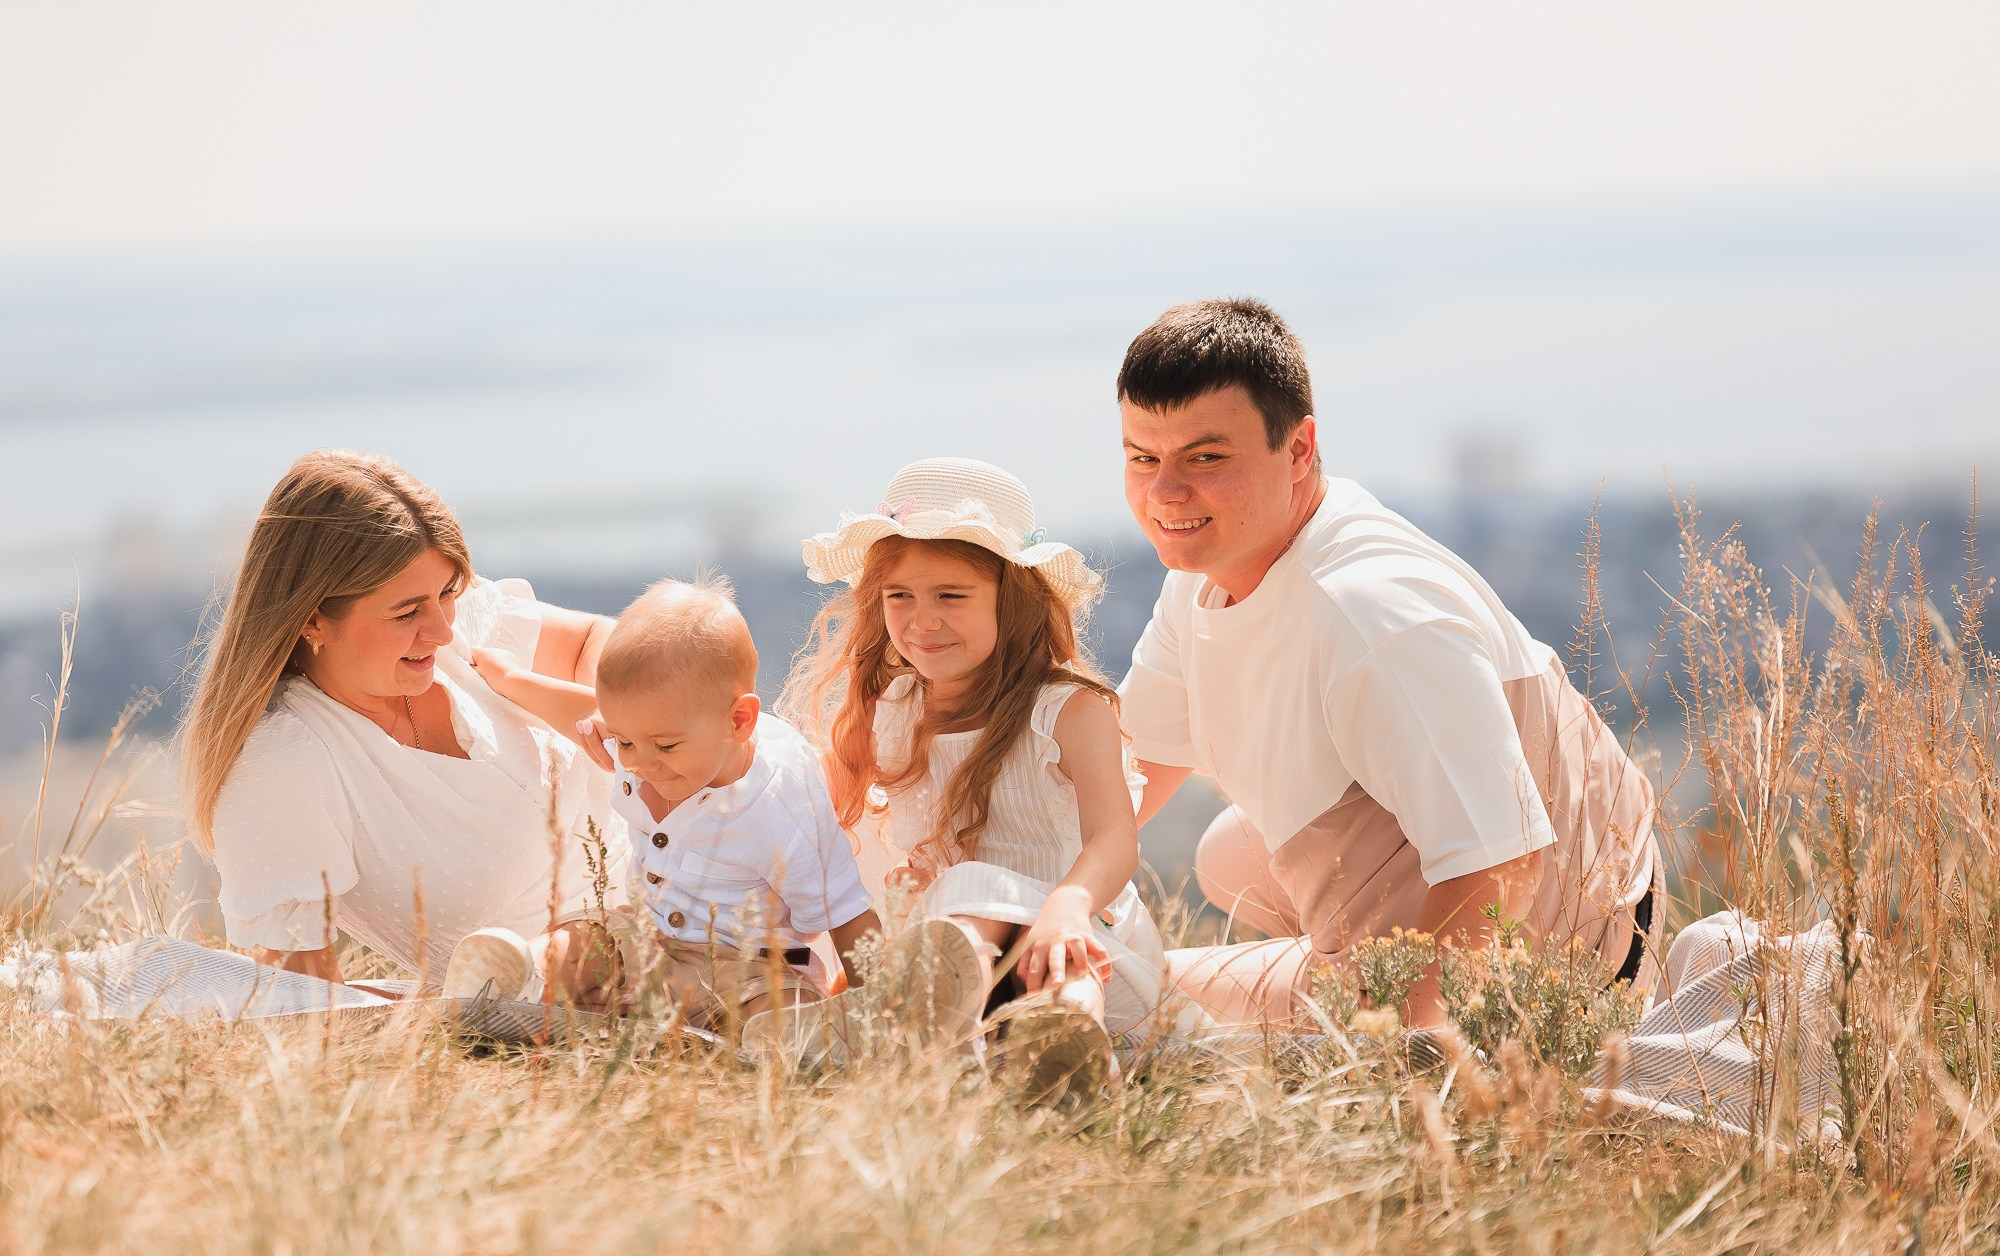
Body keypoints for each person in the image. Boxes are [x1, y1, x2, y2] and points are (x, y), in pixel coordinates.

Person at [1114, 299, 1661, 1031]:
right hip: (1479, 880)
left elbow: (1501, 869)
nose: (1165, 492)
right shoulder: (1208, 571)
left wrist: (1393, 1056)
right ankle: (1340, 962)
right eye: (1143, 457)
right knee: (1224, 858)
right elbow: (1124, 774)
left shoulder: (1368, 613)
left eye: (1206, 457)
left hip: (1571, 956)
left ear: (1299, 449)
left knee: (1139, 999)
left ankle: (1354, 989)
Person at [772, 458, 1167, 1100]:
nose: (921, 620)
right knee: (952, 896)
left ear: (1013, 601)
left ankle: (1067, 1039)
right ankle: (985, 1047)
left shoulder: (1066, 711)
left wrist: (1068, 905)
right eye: (900, 596)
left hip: (1088, 947)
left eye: (951, 595)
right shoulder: (898, 711)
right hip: (974, 969)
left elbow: (1115, 836)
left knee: (1002, 917)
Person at [180, 450, 628, 1005]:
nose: (442, 631)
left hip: (704, 851)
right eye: (406, 613)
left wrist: (623, 711)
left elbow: (596, 644)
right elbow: (302, 1005)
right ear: (312, 618)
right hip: (608, 975)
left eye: (446, 594)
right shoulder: (283, 763)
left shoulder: (451, 625)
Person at [456, 577, 886, 1032]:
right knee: (584, 938)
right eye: (625, 740)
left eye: (665, 746)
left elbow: (846, 912)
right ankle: (517, 976)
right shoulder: (643, 739)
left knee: (772, 1008)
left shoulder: (781, 803)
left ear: (739, 721)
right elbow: (576, 713)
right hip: (646, 942)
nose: (639, 763)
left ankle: (810, 1034)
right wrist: (509, 677)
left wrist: (878, 1008)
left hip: (744, 967)